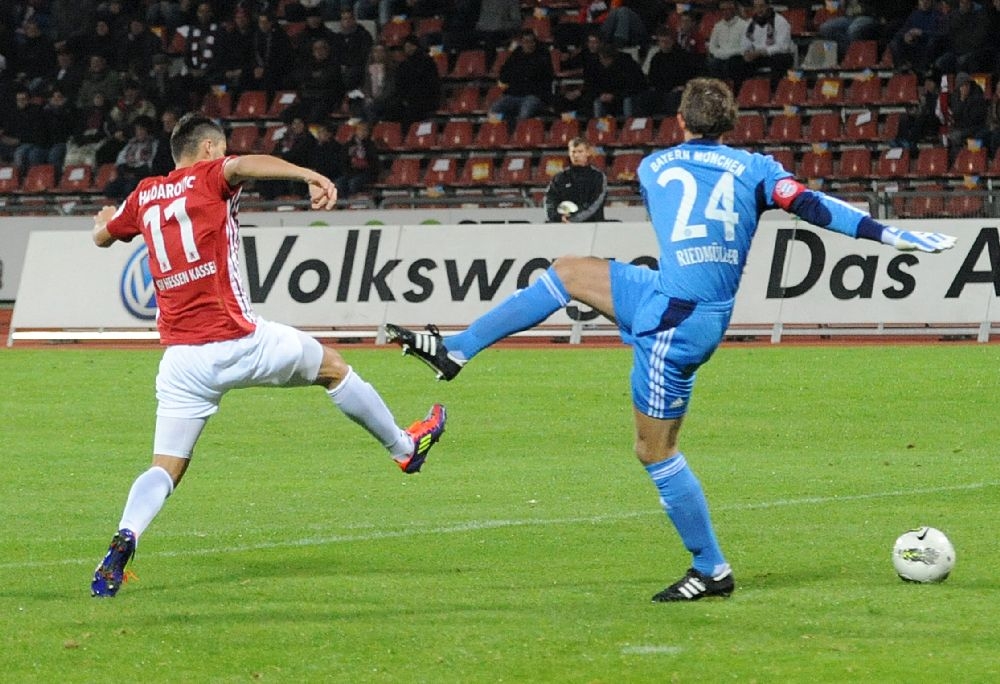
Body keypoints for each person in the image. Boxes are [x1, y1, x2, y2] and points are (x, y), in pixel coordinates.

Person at [383, 77, 956, 602]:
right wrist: (886, 233)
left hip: (673, 323)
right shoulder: (756, 168)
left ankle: (711, 569)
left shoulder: (654, 166)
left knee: (654, 450)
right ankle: (456, 349)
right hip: (678, 302)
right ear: (731, 124)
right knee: (571, 271)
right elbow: (810, 206)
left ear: (680, 121)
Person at [90, 113, 447, 598]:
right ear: (210, 148)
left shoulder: (145, 194)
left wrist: (102, 225)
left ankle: (124, 538)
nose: (227, 157)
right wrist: (309, 174)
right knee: (334, 370)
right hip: (239, 341)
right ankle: (405, 450)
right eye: (223, 149)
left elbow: (103, 236)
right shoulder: (210, 175)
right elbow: (246, 166)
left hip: (181, 361)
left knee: (165, 466)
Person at [543, 136, 607, 223]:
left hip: (592, 226)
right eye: (573, 152)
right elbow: (550, 200)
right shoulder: (560, 177)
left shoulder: (598, 177)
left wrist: (572, 220)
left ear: (588, 153)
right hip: (563, 226)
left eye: (580, 152)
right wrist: (556, 218)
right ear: (569, 153)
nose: (576, 155)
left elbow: (595, 204)